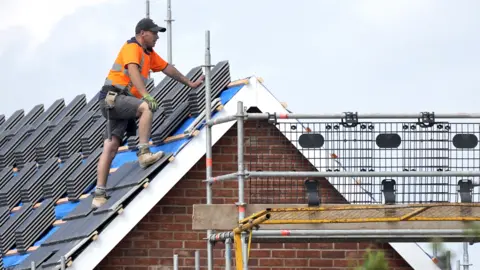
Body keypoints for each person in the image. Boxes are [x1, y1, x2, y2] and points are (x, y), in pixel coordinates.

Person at [92, 18, 204, 209]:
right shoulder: (131, 48)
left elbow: (168, 69)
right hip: (115, 98)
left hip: (118, 103)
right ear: (142, 33)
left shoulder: (148, 54)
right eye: (154, 33)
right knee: (145, 107)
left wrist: (189, 83)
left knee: (110, 146)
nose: (157, 37)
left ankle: (99, 196)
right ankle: (144, 153)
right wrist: (145, 95)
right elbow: (133, 72)